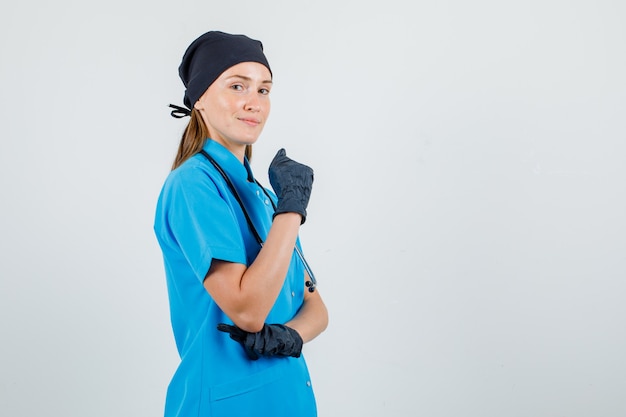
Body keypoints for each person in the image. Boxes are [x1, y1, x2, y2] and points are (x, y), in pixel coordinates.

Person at [153, 30, 328, 417]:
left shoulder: (263, 195)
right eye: (237, 86)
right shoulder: (194, 184)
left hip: (288, 400)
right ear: (199, 99)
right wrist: (293, 210)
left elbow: (316, 309)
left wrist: (287, 336)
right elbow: (248, 311)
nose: (254, 103)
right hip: (227, 403)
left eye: (264, 90)